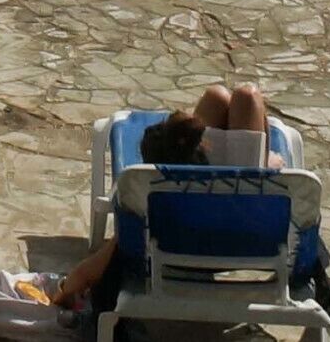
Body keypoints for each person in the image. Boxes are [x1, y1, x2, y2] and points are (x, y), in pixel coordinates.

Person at [20, 85, 281, 312]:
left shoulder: (152, 206)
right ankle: (260, 163)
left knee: (218, 97)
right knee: (246, 95)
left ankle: (255, 161)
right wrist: (269, 166)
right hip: (241, 238)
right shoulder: (240, 191)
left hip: (181, 243)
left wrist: (60, 294)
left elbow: (86, 271)